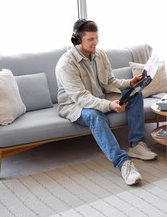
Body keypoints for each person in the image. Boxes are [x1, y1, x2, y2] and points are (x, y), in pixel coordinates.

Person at [55, 19, 158, 186]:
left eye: (97, 38)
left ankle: (136, 145)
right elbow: (81, 97)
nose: (95, 42)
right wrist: (109, 105)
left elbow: (110, 81)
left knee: (135, 94)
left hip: (100, 97)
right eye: (90, 39)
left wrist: (130, 83)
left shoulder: (100, 54)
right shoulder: (66, 64)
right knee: (95, 115)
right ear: (77, 39)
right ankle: (123, 163)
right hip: (76, 106)